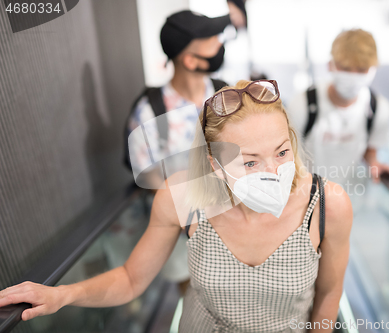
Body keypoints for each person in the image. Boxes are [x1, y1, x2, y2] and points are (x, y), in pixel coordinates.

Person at [0, 80, 353, 333]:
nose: (274, 172)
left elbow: (328, 292)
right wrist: (63, 294)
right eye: (250, 162)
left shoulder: (328, 205)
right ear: (215, 164)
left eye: (281, 151)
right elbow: (131, 278)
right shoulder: (181, 197)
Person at [124, 10, 230, 293]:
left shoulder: (227, 95)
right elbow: (148, 179)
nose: (220, 45)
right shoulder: (148, 113)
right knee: (193, 294)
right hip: (182, 233)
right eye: (210, 40)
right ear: (190, 59)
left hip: (233, 224)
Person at [287, 29, 389, 188]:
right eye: (346, 68)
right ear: (331, 65)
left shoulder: (378, 109)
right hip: (308, 199)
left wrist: (376, 165)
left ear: (373, 69)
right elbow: (288, 156)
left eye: (362, 70)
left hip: (352, 199)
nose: (353, 76)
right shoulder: (303, 105)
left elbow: (370, 151)